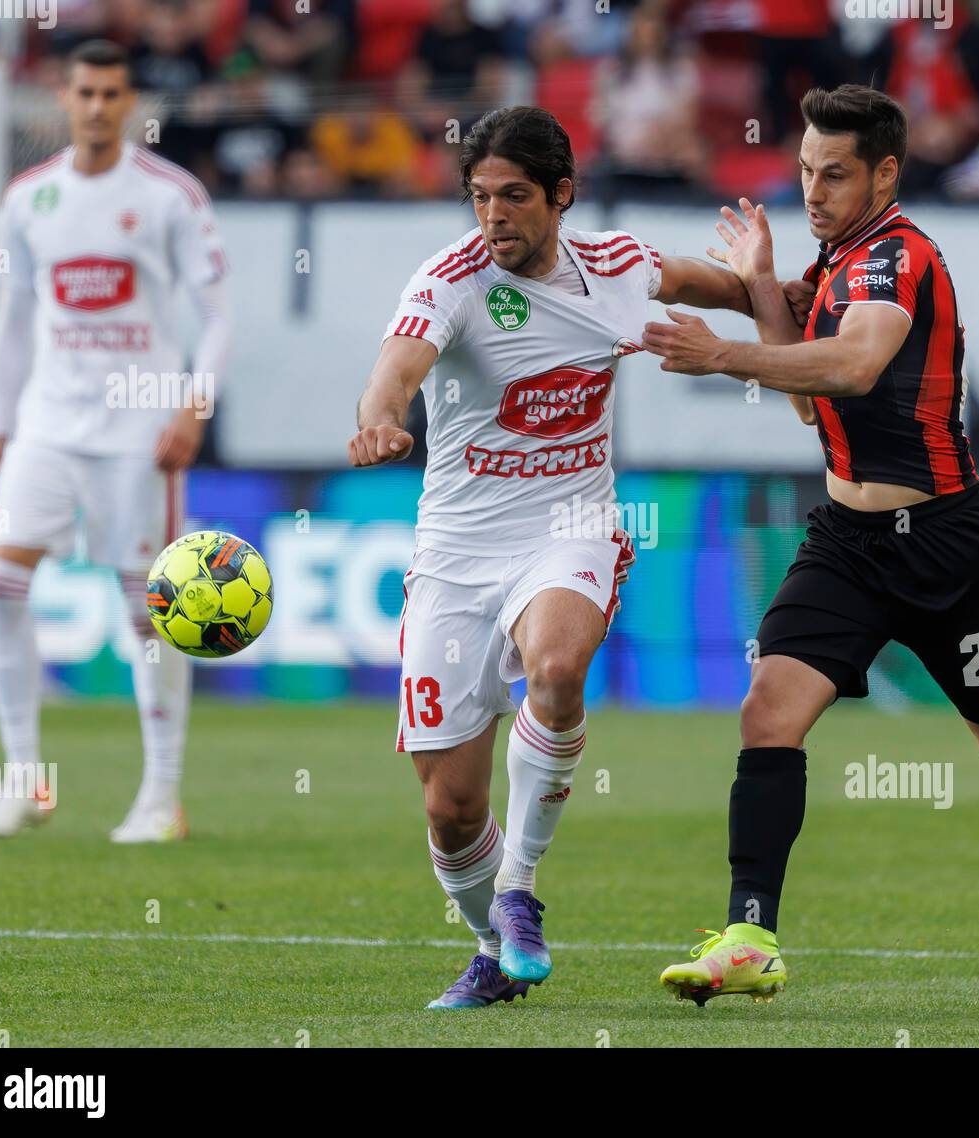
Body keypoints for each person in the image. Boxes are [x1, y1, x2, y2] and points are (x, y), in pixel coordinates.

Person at [643, 85, 979, 1004]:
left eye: (834, 174)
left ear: (885, 172)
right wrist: (762, 286)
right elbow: (811, 401)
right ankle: (750, 933)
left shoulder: (897, 258)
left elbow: (853, 365)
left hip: (948, 544)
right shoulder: (834, 262)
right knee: (768, 710)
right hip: (847, 542)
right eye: (805, 170)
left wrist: (725, 351)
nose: (813, 190)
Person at [348, 105, 769, 1009]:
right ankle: (492, 946)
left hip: (571, 521)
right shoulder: (451, 280)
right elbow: (395, 368)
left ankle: (519, 889)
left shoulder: (618, 265)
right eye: (479, 197)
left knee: (557, 666)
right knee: (450, 809)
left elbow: (727, 288)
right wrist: (380, 422)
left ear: (561, 196)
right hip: (458, 549)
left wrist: (778, 286)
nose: (492, 216)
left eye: (512, 197)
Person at [0, 40, 231, 843]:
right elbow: (13, 326)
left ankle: (160, 795)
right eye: (84, 92)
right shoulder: (28, 200)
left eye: (112, 93)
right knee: (1, 580)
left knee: (149, 608)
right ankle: (23, 781)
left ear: (129, 102)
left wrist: (194, 404)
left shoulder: (170, 197)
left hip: (136, 428)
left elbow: (216, 313)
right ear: (65, 97)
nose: (96, 107)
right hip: (49, 422)